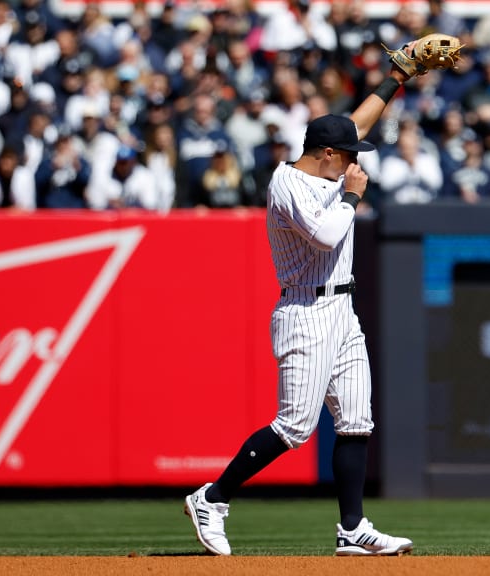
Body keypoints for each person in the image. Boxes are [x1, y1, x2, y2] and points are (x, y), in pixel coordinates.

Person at [183, 49, 418, 558]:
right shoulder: (288, 183)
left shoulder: (330, 164)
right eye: (350, 154)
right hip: (304, 312)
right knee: (294, 426)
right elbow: (327, 235)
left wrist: (397, 78)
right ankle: (212, 497)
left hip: (341, 310)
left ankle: (352, 529)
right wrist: (354, 197)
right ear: (328, 155)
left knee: (356, 420)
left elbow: (356, 121)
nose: (357, 161)